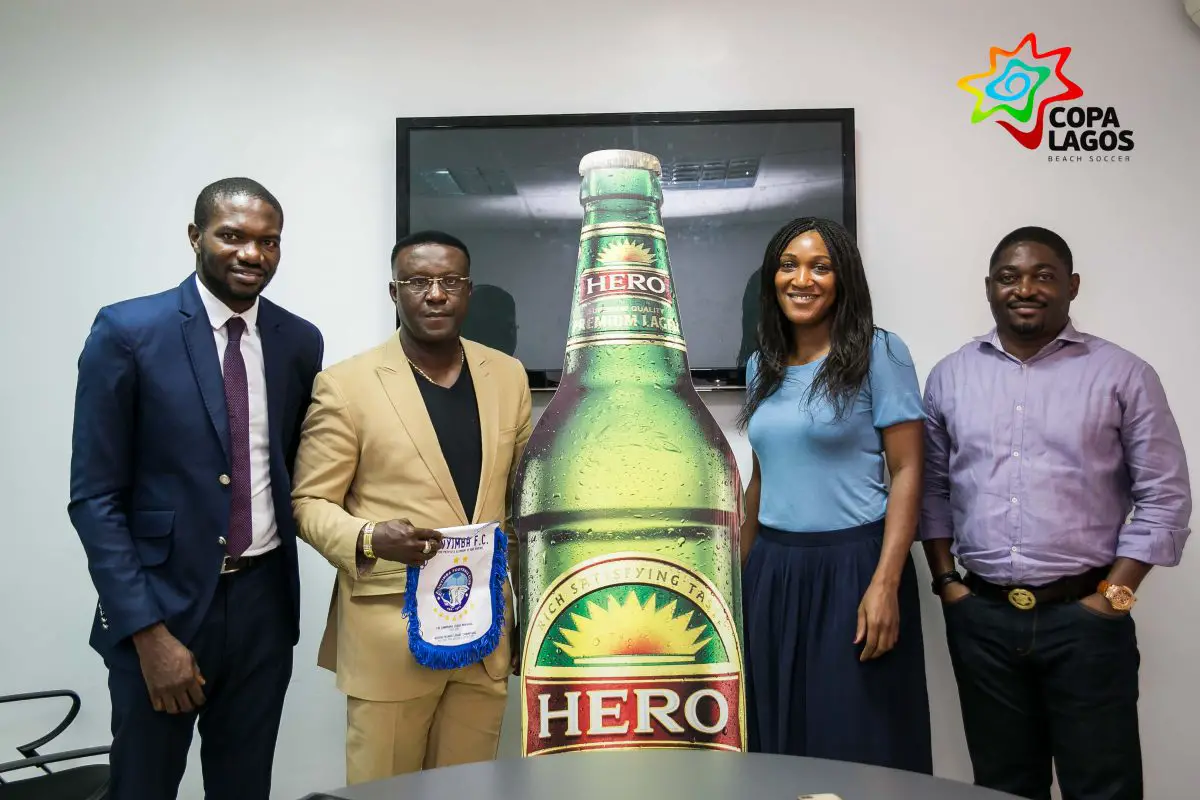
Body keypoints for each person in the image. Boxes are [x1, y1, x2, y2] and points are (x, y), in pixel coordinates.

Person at [67, 177, 324, 799]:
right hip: (162, 608)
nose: (251, 254)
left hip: (263, 604)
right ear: (195, 237)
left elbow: (291, 467)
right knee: (144, 787)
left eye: (268, 241)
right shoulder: (129, 331)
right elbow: (94, 499)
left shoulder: (298, 341)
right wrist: (147, 633)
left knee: (244, 787)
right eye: (232, 236)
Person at [920, 225, 1192, 800]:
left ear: (1072, 286)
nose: (1025, 289)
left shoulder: (1124, 374)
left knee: (1103, 788)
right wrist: (947, 584)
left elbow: (1165, 496)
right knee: (1002, 787)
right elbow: (932, 490)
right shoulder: (950, 376)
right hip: (982, 620)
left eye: (1043, 276)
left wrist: (1112, 600)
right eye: (1009, 277)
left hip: (1086, 621)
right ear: (989, 287)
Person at [291, 230, 532, 784]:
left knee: (468, 789)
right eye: (419, 281)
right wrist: (369, 536)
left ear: (468, 290)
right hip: (391, 631)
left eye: (450, 281)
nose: (436, 294)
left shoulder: (508, 376)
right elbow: (309, 500)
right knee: (384, 792)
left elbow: (519, 510)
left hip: (484, 632)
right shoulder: (346, 385)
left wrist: (526, 610)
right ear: (394, 292)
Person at [736, 217, 932, 773]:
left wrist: (885, 584)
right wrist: (738, 582)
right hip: (773, 571)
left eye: (820, 267)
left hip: (854, 569)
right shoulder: (761, 365)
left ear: (843, 277)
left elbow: (908, 470)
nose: (802, 279)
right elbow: (762, 479)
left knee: (856, 742)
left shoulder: (881, 353)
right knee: (775, 742)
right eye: (789, 265)